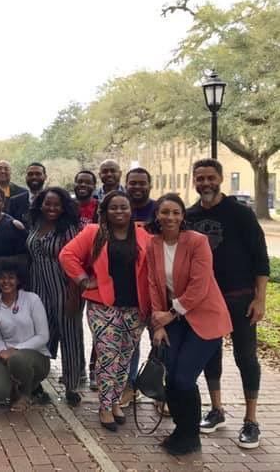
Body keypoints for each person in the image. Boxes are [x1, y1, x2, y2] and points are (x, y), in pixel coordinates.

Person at [186, 159, 269, 449]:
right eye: (200, 178)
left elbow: (260, 258)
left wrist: (260, 299)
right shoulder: (190, 215)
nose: (205, 183)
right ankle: (217, 409)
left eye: (210, 177)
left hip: (239, 297)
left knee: (246, 357)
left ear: (220, 179)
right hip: (207, 300)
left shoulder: (240, 214)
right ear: (194, 181)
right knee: (211, 355)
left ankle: (251, 420)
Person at [147, 193, 232, 456]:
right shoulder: (153, 244)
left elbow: (200, 285)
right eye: (165, 212)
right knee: (172, 378)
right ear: (157, 216)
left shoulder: (197, 241)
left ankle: (190, 435)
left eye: (175, 212)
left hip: (204, 317)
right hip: (173, 320)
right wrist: (157, 323)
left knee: (184, 378)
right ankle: (181, 430)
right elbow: (153, 284)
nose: (170, 217)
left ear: (183, 216)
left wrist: (170, 314)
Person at [59, 191, 150, 431]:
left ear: (131, 210)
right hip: (103, 305)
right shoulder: (93, 233)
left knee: (124, 357)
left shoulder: (142, 236)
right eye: (114, 208)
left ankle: (115, 401)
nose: (119, 212)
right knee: (108, 356)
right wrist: (82, 280)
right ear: (105, 212)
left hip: (133, 307)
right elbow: (67, 255)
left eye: (124, 207)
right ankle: (104, 406)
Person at [26, 187, 84, 406]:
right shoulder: (35, 224)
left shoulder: (69, 228)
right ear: (41, 204)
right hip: (37, 286)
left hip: (63, 287)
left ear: (64, 207)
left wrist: (73, 294)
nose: (51, 208)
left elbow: (75, 262)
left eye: (56, 205)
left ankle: (71, 386)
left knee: (69, 336)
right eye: (47, 204)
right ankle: (36, 382)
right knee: (40, 335)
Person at [0, 258, 51, 412]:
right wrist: (2, 353)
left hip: (36, 356)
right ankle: (14, 387)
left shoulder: (32, 299)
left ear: (18, 279)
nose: (6, 281)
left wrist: (15, 350)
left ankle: (26, 394)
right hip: (6, 355)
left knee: (18, 359)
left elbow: (43, 336)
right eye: (2, 277)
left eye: (11, 277)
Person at [120, 166, 157, 408]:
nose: (137, 187)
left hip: (157, 289)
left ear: (149, 186)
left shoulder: (158, 210)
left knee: (161, 342)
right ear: (126, 185)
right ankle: (129, 386)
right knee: (130, 344)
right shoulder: (119, 209)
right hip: (128, 289)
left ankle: (159, 390)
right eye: (132, 183)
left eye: (141, 183)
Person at [73, 170, 99, 390]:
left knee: (97, 325)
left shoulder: (99, 208)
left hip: (95, 275)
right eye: (79, 181)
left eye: (87, 182)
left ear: (94, 185)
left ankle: (95, 370)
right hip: (71, 273)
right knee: (73, 322)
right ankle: (77, 369)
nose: (83, 185)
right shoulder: (69, 207)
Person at [8, 162, 48, 227]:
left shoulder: (53, 201)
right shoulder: (14, 201)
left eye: (38, 174)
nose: (34, 177)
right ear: (26, 177)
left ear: (45, 177)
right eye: (30, 174)